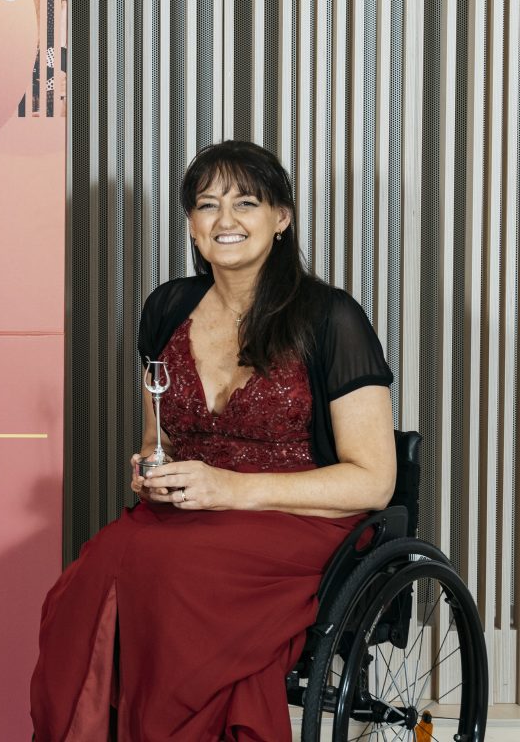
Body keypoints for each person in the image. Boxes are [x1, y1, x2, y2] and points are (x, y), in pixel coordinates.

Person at [30, 140, 396, 741]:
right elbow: (159, 435)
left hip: (299, 518)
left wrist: (228, 487)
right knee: (87, 579)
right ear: (191, 225)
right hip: (190, 513)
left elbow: (374, 480)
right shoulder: (168, 308)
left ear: (281, 218)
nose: (225, 221)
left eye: (245, 202)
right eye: (207, 205)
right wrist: (153, 467)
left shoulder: (332, 318)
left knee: (171, 572)